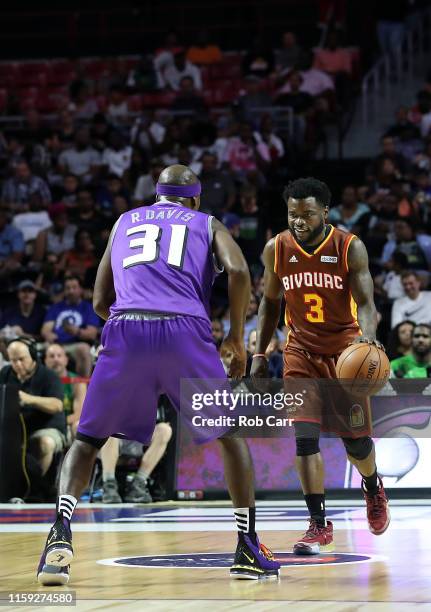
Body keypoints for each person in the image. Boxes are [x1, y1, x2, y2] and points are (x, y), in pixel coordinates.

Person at [36, 164, 280, 585]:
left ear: (156, 196)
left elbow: (99, 299)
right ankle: (246, 548)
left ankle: (59, 535)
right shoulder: (206, 222)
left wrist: (131, 324)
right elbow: (239, 271)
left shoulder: (125, 221)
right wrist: (237, 339)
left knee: (88, 439)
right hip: (184, 329)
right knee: (229, 435)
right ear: (195, 199)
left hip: (126, 325)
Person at [251, 177, 390, 555]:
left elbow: (365, 301)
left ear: (324, 212)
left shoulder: (349, 246)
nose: (299, 220)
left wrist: (368, 336)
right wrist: (261, 354)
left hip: (345, 354)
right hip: (300, 353)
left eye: (307, 214)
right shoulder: (276, 248)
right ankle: (318, 524)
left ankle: (373, 486)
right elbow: (269, 304)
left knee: (357, 443)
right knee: (305, 440)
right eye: (293, 213)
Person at [0, 337, 65, 477]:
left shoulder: (48, 376)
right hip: (14, 432)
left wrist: (28, 399)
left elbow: (57, 405)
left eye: (21, 359)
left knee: (44, 443)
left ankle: (34, 487)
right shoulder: (5, 373)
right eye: (13, 360)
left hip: (47, 428)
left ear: (33, 355)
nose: (17, 364)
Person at [101, 418, 173, 503]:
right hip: (109, 439)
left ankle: (138, 484)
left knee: (164, 430)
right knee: (108, 426)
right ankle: (109, 485)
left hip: (138, 435)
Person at [41, 276, 100, 377]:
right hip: (56, 344)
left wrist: (77, 332)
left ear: (80, 290)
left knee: (84, 349)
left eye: (74, 287)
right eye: (68, 288)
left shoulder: (88, 308)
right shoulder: (56, 307)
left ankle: (82, 386)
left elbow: (92, 333)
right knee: (42, 348)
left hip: (75, 345)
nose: (71, 291)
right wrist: (49, 335)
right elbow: (45, 329)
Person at [45, 343, 86, 441]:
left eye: (59, 355)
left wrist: (58, 423)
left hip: (68, 425)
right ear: (45, 361)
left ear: (66, 360)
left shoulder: (78, 382)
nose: (56, 359)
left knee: (79, 426)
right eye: (51, 356)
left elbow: (79, 414)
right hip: (46, 426)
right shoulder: (40, 380)